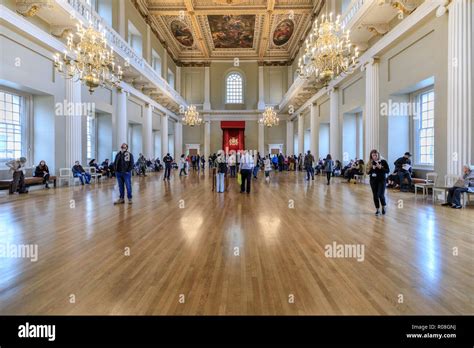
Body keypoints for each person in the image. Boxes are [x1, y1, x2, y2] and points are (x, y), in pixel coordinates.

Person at [366, 149, 390, 216]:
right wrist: (372, 169)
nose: (375, 156)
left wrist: (380, 167)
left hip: (382, 180)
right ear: (371, 156)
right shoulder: (369, 163)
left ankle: (384, 206)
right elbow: (367, 172)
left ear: (378, 155)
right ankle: (377, 209)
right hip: (373, 181)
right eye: (373, 155)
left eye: (376, 155)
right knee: (375, 195)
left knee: (380, 194)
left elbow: (388, 171)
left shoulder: (383, 162)